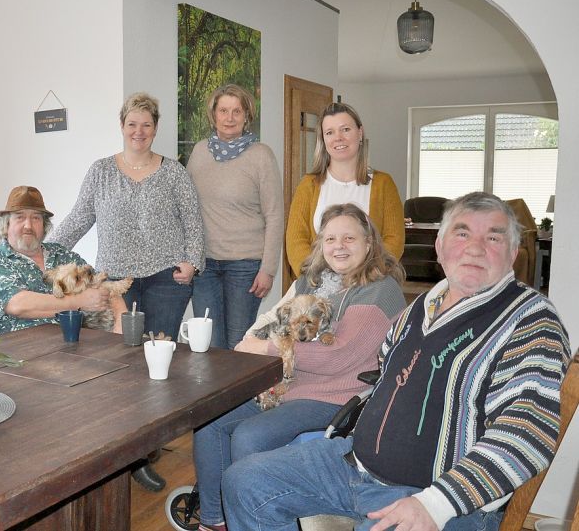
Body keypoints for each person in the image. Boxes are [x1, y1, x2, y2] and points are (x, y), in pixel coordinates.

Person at [223, 192, 571, 531]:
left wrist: (435, 505)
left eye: (493, 237)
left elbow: (528, 432)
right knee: (244, 481)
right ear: (439, 246)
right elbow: (384, 378)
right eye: (462, 233)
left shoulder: (530, 321)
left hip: (435, 498)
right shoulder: (420, 306)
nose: (475, 247)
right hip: (352, 465)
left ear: (513, 252)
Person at [190, 203, 406, 531]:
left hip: (335, 395)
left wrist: (266, 348)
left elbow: (338, 357)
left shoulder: (379, 289)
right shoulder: (312, 281)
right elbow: (276, 317)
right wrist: (253, 340)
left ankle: (251, 517)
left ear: (369, 243)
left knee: (250, 435)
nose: (339, 246)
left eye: (349, 238)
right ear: (320, 244)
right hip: (288, 385)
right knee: (210, 420)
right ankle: (216, 520)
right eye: (330, 238)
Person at [49, 92, 204, 339]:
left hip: (166, 280)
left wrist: (192, 263)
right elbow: (78, 219)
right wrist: (46, 253)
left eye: (146, 125)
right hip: (113, 282)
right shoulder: (101, 171)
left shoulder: (175, 172)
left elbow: (193, 222)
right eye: (132, 124)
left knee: (160, 353)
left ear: (155, 129)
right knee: (118, 355)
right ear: (122, 126)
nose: (138, 131)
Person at [187, 84, 283, 349]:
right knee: (208, 345)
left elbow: (275, 215)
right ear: (213, 115)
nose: (229, 118)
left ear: (246, 116)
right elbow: (185, 207)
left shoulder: (261, 155)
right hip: (204, 266)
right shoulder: (199, 153)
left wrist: (268, 270)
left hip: (245, 266)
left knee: (239, 345)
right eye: (223, 110)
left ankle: (244, 394)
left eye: (236, 111)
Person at [0, 185, 125, 336]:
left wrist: (121, 322)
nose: (28, 225)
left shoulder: (60, 253)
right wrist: (79, 302)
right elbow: (18, 305)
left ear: (44, 226)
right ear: (7, 225)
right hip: (21, 351)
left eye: (36, 218)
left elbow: (101, 283)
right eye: (20, 217)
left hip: (77, 346)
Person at [285, 102, 404, 278]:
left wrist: (368, 275)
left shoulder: (383, 184)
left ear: (360, 133)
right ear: (323, 140)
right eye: (330, 132)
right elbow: (295, 240)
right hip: (318, 286)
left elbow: (394, 239)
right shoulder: (309, 185)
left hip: (368, 284)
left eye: (345, 129)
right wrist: (317, 278)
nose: (338, 138)